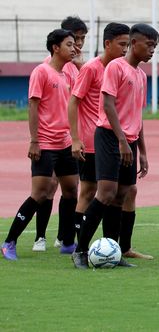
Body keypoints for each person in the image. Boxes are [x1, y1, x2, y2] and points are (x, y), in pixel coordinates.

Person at [72, 24, 159, 268]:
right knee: (106, 192)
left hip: (128, 141)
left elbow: (137, 116)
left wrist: (142, 151)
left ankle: (114, 251)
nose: (152, 50)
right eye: (149, 45)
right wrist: (122, 141)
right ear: (134, 42)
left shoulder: (141, 75)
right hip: (110, 136)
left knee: (122, 195)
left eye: (155, 46)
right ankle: (79, 250)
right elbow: (108, 105)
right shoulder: (115, 67)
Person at [3, 30, 79, 261]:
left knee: (71, 190)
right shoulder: (41, 72)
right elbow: (33, 106)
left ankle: (67, 242)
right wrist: (34, 140)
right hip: (45, 143)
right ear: (55, 47)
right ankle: (9, 242)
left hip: (65, 142)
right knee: (40, 194)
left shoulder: (69, 74)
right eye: (69, 44)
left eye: (75, 44)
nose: (74, 49)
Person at [35, 16, 88, 252]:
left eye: (82, 39)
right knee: (48, 187)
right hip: (50, 137)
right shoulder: (49, 66)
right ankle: (40, 237)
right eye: (75, 39)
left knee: (71, 187)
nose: (78, 44)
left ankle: (63, 237)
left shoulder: (76, 66)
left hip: (69, 137)